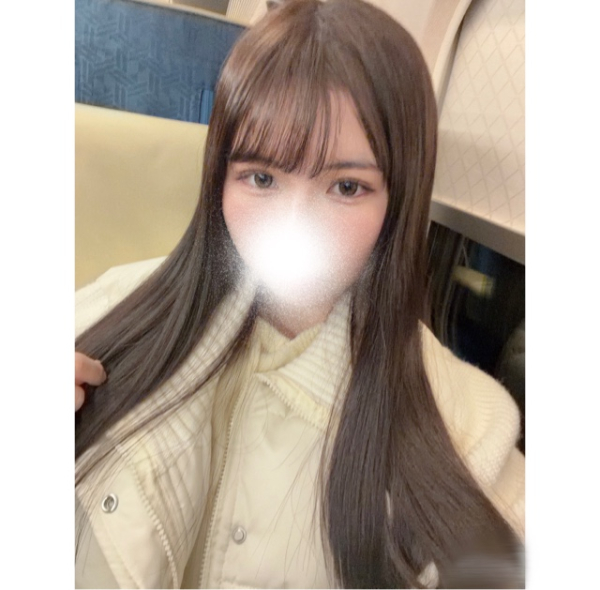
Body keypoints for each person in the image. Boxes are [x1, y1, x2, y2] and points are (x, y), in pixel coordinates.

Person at [75, 0, 525, 588]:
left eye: (347, 186)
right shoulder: (108, 310)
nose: (295, 226)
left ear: (399, 201)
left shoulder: (465, 420)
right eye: (262, 177)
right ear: (219, 180)